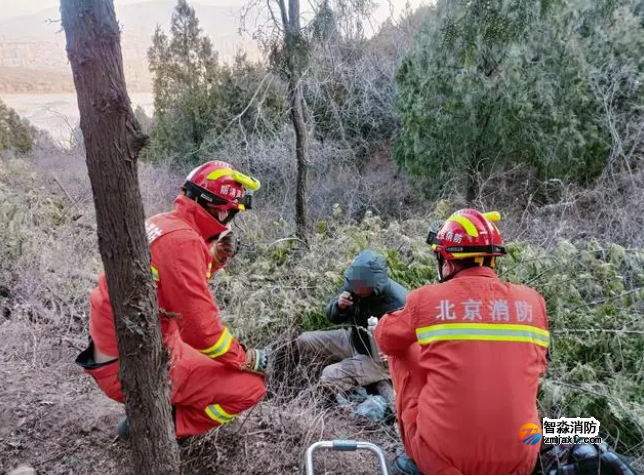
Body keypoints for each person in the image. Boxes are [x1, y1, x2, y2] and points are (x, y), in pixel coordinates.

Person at [76, 160, 268, 439]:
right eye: (230, 213)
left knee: (214, 364)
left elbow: (174, 286)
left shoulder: (163, 223)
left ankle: (163, 414)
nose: (229, 221)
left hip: (118, 348)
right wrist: (246, 358)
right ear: (217, 208)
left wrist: (215, 258)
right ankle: (160, 428)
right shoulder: (183, 242)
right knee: (251, 386)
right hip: (134, 363)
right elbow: (204, 334)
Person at [376, 209, 550, 475]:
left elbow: (386, 339)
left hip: (445, 460)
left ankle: (424, 441)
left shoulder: (428, 299)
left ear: (447, 260)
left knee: (404, 350)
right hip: (521, 457)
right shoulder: (533, 302)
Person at [296, 249, 407, 398]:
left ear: (372, 284)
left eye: (359, 284)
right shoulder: (354, 285)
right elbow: (333, 317)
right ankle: (301, 380)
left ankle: (331, 402)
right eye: (353, 282)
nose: (354, 287)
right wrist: (339, 307)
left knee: (329, 376)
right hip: (353, 339)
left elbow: (412, 343)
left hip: (377, 361)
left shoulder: (399, 302)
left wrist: (394, 352)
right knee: (304, 340)